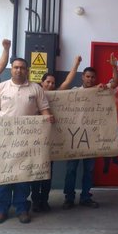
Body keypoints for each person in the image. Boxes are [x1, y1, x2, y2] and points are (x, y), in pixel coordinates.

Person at [0, 57, 54, 224]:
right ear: (11, 69)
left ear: (27, 70)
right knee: (3, 175)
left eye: (22, 68)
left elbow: (44, 110)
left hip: (27, 140)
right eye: (16, 67)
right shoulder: (1, 88)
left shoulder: (36, 89)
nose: (19, 70)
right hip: (4, 141)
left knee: (23, 175)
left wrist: (48, 120)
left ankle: (22, 208)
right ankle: (1, 210)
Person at [62, 54, 118, 210]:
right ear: (83, 77)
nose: (90, 79)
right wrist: (75, 63)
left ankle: (86, 197)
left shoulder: (100, 90)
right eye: (87, 76)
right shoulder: (75, 91)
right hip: (75, 137)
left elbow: (115, 83)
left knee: (89, 170)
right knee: (71, 169)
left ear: (96, 78)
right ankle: (69, 198)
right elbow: (61, 90)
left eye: (93, 77)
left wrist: (114, 66)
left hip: (92, 137)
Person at [31, 56, 82, 212]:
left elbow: (67, 81)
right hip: (35, 140)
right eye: (48, 82)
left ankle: (44, 200)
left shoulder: (57, 95)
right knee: (35, 172)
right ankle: (35, 201)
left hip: (52, 140)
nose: (51, 85)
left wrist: (76, 64)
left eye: (53, 83)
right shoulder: (34, 96)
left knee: (47, 172)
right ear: (42, 83)